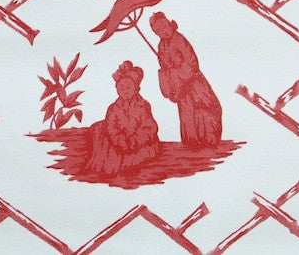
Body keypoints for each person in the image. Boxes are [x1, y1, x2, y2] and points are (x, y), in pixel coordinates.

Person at [150, 12, 222, 147]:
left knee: (204, 107)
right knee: (187, 112)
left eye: (164, 26)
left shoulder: (179, 39)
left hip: (194, 82)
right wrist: (169, 75)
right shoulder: (161, 46)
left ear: (169, 24)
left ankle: (209, 139)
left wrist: (175, 73)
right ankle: (192, 141)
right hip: (180, 87)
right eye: (158, 30)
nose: (163, 31)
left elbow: (191, 62)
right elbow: (164, 67)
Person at [84, 61, 160, 179]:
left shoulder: (143, 106)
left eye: (128, 87)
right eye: (121, 88)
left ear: (136, 88)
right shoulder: (113, 108)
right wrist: (121, 141)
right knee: (102, 136)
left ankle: (128, 167)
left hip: (140, 144)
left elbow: (149, 127)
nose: (125, 90)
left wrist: (134, 141)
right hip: (120, 143)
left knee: (138, 156)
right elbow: (111, 128)